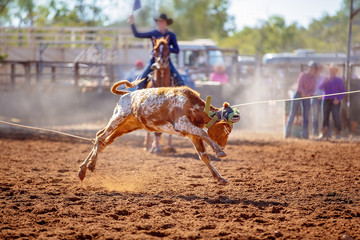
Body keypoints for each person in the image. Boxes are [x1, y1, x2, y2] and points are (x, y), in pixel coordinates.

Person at [128, 13, 184, 89]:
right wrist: (132, 23)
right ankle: (138, 95)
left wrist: (164, 49)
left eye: (162, 21)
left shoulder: (171, 35)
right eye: (159, 21)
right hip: (153, 60)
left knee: (180, 80)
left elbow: (177, 50)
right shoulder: (153, 33)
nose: (160, 23)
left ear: (166, 23)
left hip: (166, 61)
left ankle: (182, 96)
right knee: (142, 78)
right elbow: (137, 34)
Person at [285, 61, 318, 139]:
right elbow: (299, 87)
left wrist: (307, 94)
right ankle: (287, 133)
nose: (312, 70)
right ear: (309, 68)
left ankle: (305, 134)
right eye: (311, 68)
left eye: (314, 69)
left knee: (306, 116)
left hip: (306, 97)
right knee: (292, 113)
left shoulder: (314, 79)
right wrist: (305, 93)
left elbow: (313, 90)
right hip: (299, 95)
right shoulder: (302, 75)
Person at [319, 64, 345, 139]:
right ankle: (324, 133)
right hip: (326, 100)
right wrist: (324, 81)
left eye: (333, 69)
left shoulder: (339, 80)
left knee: (336, 117)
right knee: (325, 117)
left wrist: (339, 99)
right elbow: (320, 87)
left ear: (336, 71)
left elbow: (342, 91)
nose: (332, 71)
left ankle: (338, 133)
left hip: (335, 101)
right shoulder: (325, 78)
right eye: (331, 69)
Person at [311, 64, 324, 137]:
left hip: (321, 98)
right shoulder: (313, 78)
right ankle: (315, 132)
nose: (318, 70)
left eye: (320, 69)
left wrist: (322, 95)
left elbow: (324, 88)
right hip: (315, 97)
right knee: (315, 116)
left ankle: (322, 132)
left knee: (322, 116)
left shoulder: (323, 78)